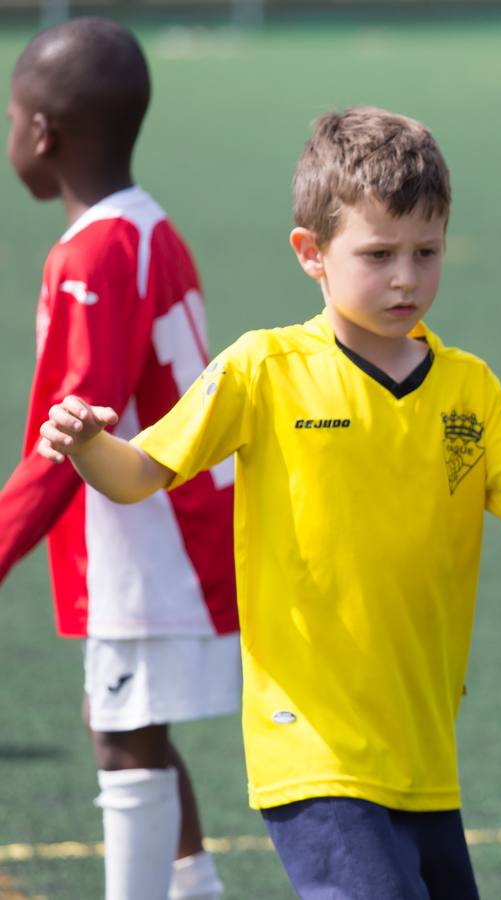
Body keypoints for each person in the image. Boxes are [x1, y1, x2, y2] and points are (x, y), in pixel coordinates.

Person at [35, 106, 501, 899]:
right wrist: (85, 444)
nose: (407, 278)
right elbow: (139, 473)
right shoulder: (262, 369)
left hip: (423, 752)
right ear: (310, 253)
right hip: (310, 748)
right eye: (378, 255)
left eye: (427, 251)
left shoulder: (470, 388)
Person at [0, 19, 236, 900]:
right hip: (171, 520)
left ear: (40, 134)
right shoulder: (149, 227)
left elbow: (74, 430)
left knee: (122, 734)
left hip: (147, 538)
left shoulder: (93, 252)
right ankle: (194, 887)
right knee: (130, 720)